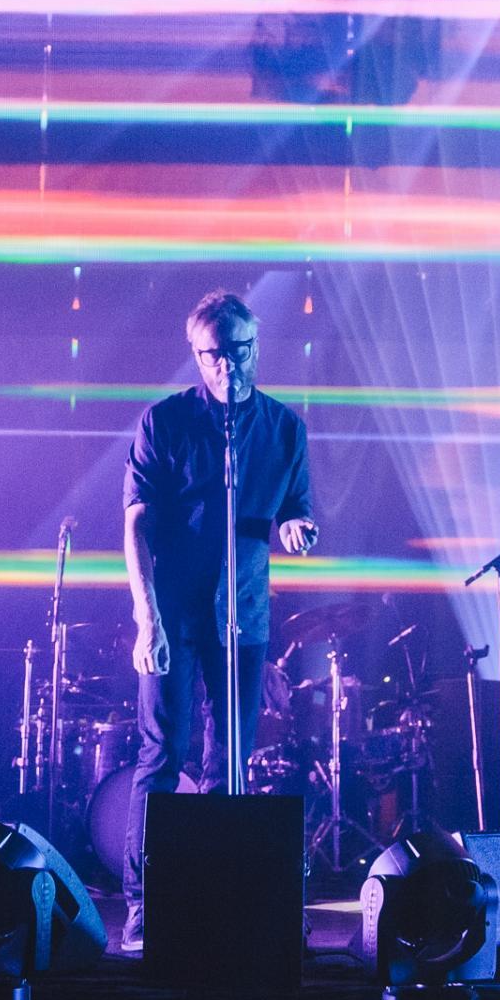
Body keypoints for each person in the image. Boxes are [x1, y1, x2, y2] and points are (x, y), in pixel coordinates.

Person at [119, 291, 320, 952]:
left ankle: (217, 897)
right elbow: (136, 524)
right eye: (211, 354)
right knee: (161, 754)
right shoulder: (166, 422)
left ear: (255, 346)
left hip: (244, 615)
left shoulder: (284, 428)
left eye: (236, 351)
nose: (225, 365)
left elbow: (292, 509)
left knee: (228, 761)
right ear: (196, 354)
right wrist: (146, 618)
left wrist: (294, 527)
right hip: (174, 614)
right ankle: (144, 903)